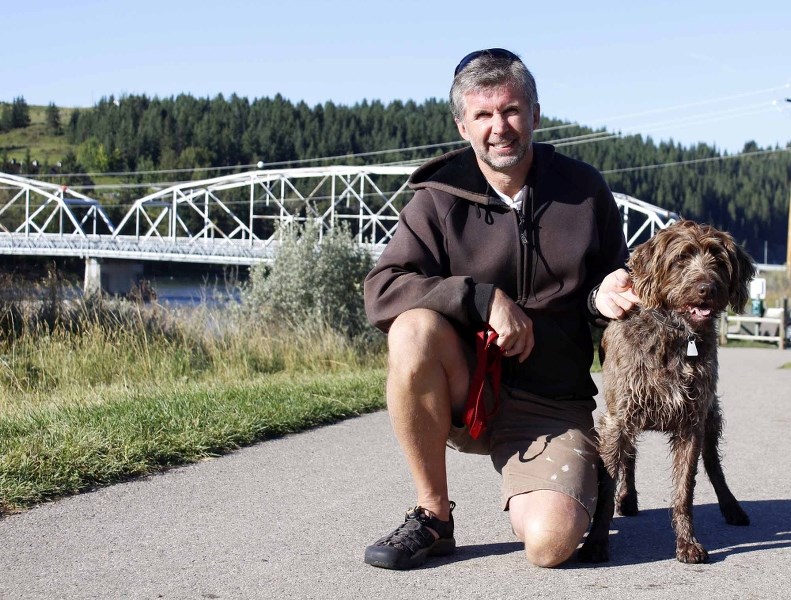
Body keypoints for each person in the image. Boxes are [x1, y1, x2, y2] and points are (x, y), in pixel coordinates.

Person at [362, 48, 639, 570]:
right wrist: (482, 299)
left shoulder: (584, 191)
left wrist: (604, 298)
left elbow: (610, 286)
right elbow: (382, 289)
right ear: (461, 125)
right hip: (469, 389)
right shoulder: (436, 199)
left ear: (535, 114)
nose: (500, 127)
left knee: (551, 546)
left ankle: (581, 479)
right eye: (483, 115)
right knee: (413, 330)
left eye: (511, 111)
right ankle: (433, 515)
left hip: (552, 403)